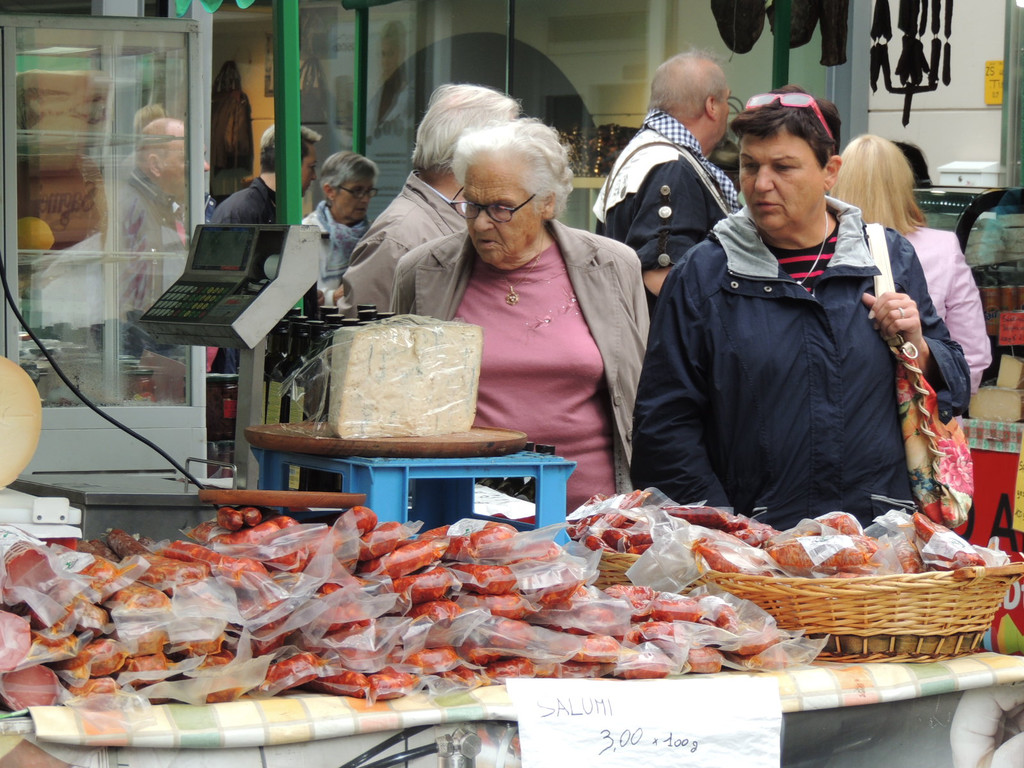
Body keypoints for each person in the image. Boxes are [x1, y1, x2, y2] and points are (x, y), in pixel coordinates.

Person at [630, 88, 970, 531]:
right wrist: (727, 533)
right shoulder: (703, 274)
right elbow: (664, 428)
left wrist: (918, 347)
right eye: (750, 165)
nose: (761, 184)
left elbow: (955, 384)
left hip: (878, 542)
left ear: (830, 171)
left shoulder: (887, 258)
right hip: (758, 546)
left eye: (783, 167)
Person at [392, 119, 649, 513]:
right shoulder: (423, 271)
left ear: (547, 203)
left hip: (592, 513)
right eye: (472, 204)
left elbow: (641, 393)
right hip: (465, 515)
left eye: (501, 208)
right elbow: (398, 401)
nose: (481, 223)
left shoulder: (613, 266)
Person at [339, 83, 521, 316]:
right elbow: (365, 333)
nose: (520, 155)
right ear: (471, 151)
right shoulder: (398, 237)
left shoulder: (465, 214)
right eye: (511, 144)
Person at [831, 134, 991, 394]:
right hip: (926, 411)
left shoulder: (818, 253)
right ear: (905, 186)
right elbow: (972, 356)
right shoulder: (944, 247)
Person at [593, 50, 739, 304]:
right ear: (712, 106)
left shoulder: (639, 154)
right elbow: (662, 277)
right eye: (727, 100)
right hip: (663, 330)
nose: (728, 110)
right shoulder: (672, 168)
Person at [301, 151, 379, 308]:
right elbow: (297, 293)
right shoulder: (306, 233)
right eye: (357, 191)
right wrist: (331, 298)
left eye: (369, 191)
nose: (365, 199)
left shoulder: (375, 234)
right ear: (330, 191)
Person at [210, 124, 322, 224]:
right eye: (311, 167)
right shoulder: (240, 213)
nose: (314, 176)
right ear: (290, 164)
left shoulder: (260, 207)